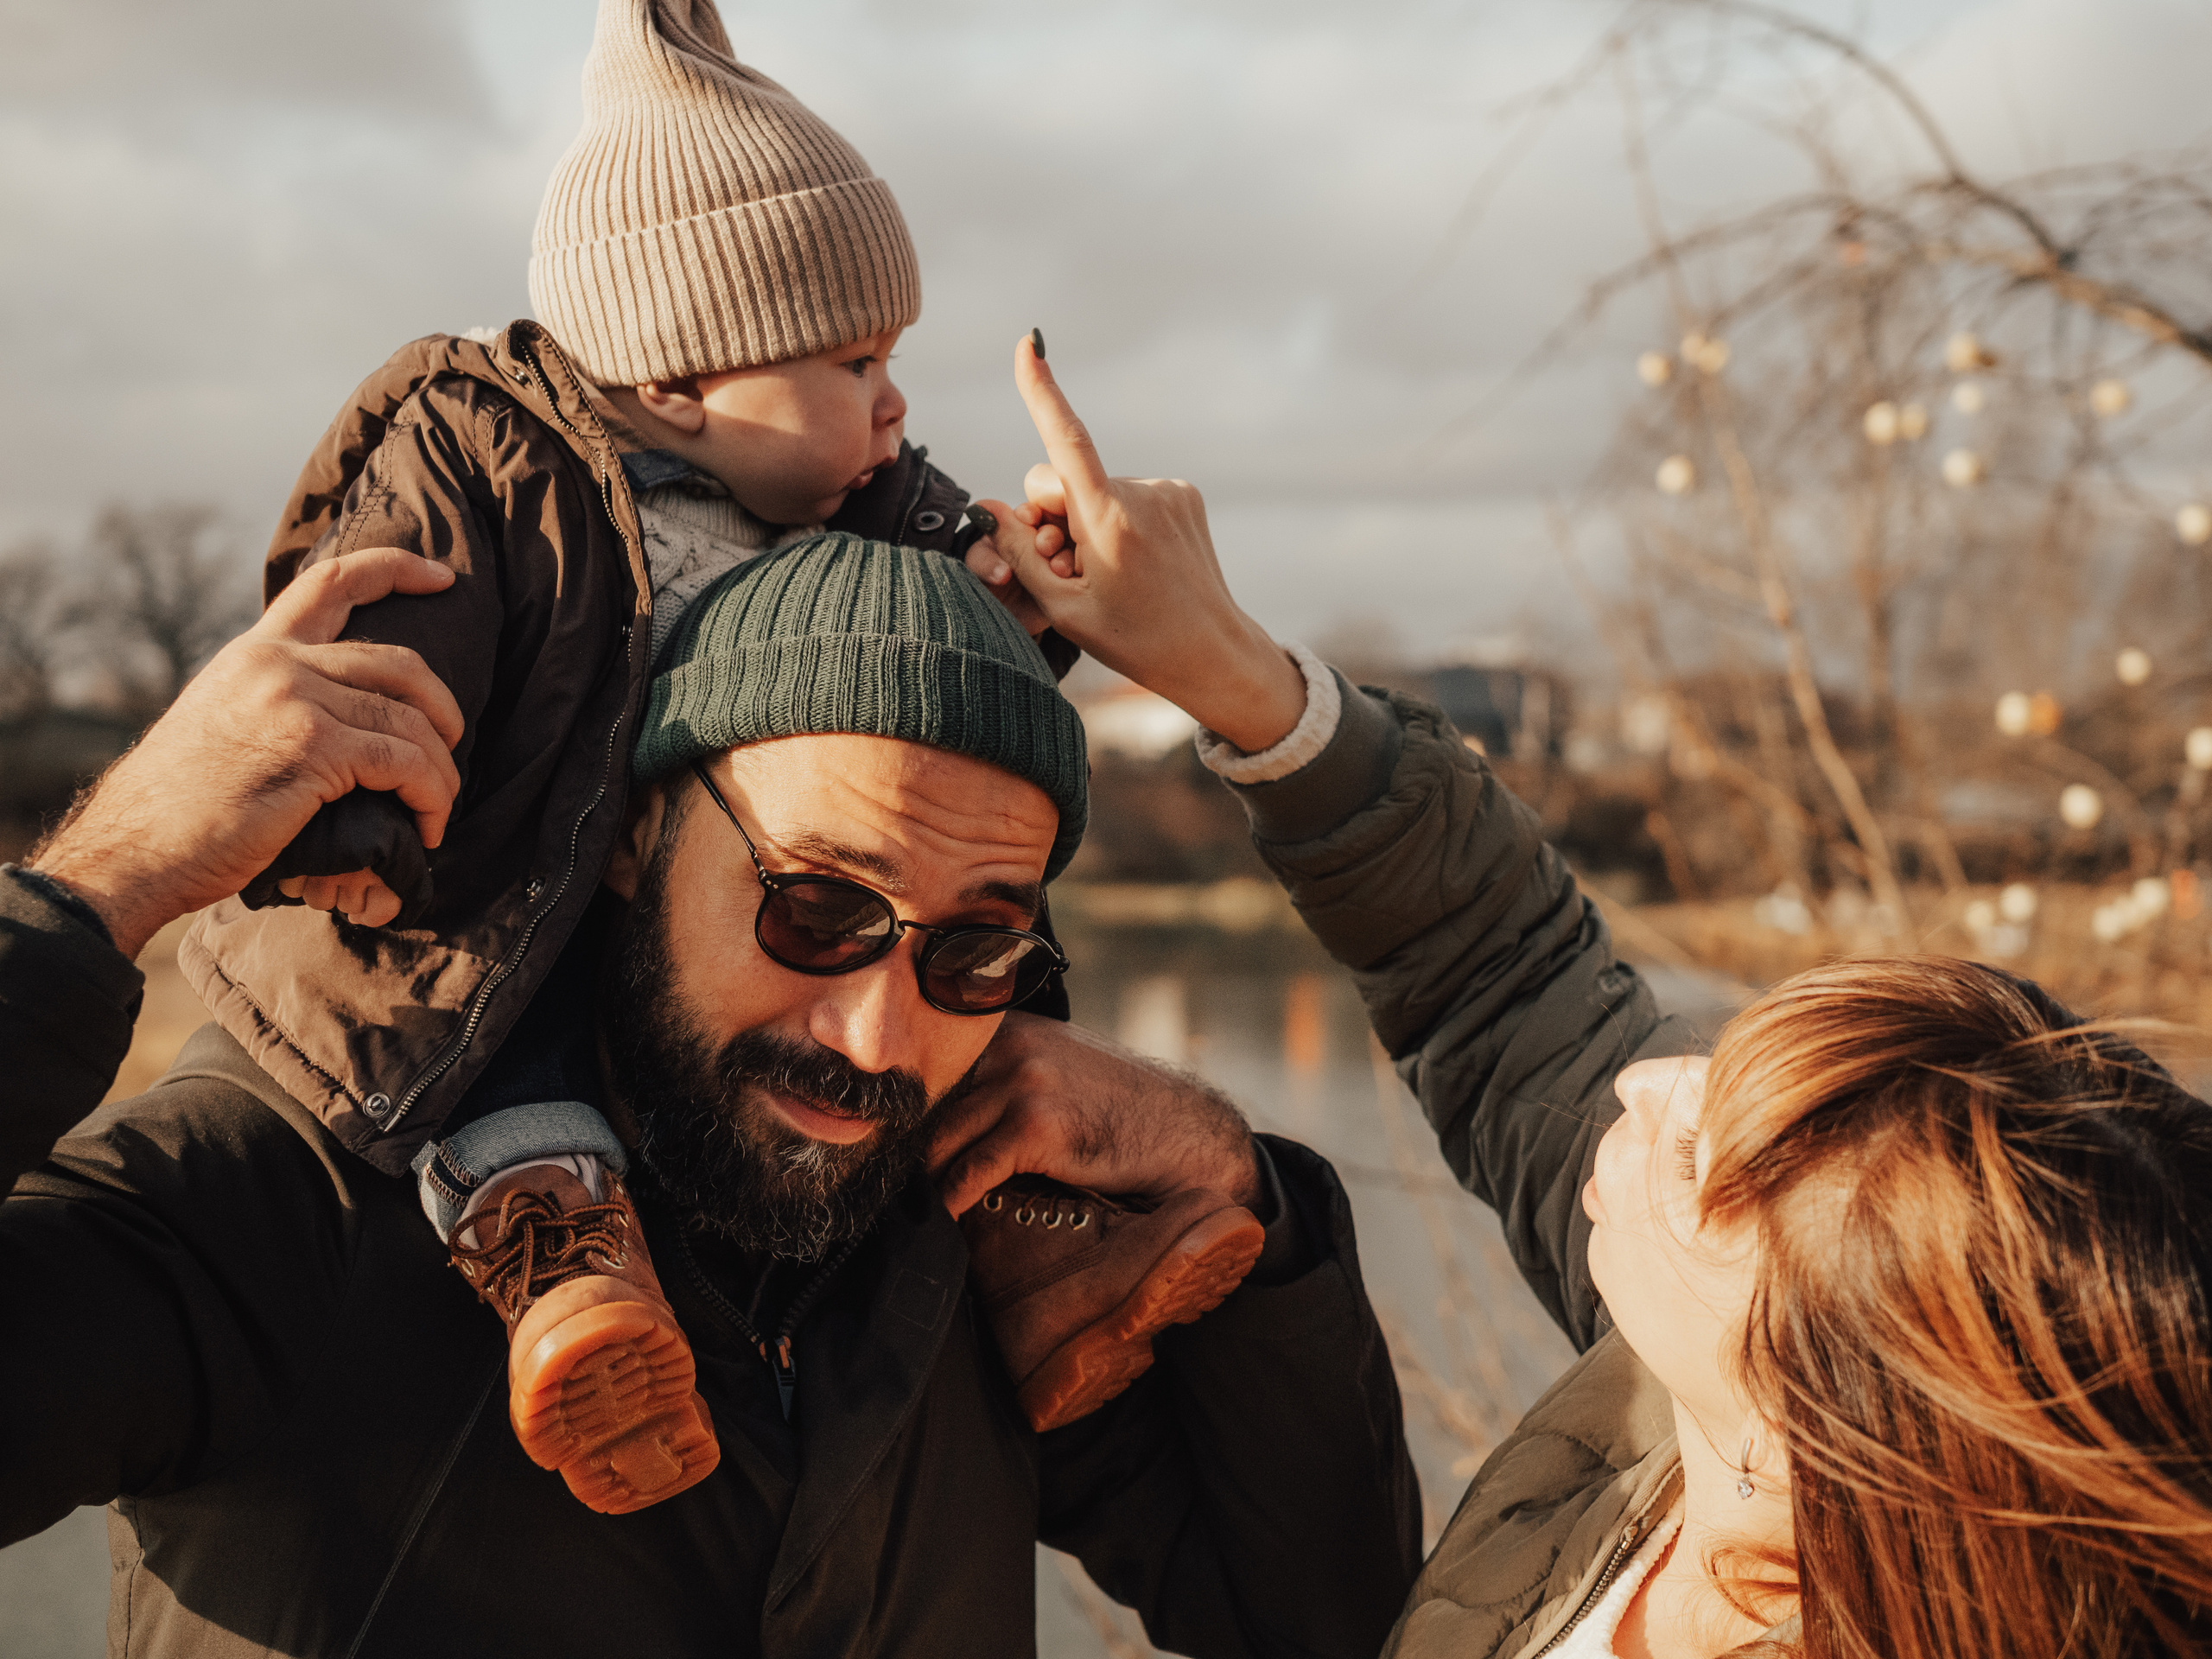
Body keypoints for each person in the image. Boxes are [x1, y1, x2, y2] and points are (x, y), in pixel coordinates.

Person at [967, 345, 2212, 1659]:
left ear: (1837, 1430)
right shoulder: (1686, 1405)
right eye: (1718, 1077)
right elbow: (1507, 976)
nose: (1651, 1080)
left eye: (1704, 1155)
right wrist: (1227, 669)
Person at [185, 0, 1255, 1517]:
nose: (893, 402)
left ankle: (1045, 1252)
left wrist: (1022, 581)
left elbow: (923, 640)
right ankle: (567, 1275)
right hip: (507, 900)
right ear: (685, 376)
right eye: (855, 359)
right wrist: (352, 817)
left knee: (943, 972)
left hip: (753, 921)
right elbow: (381, 619)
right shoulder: (488, 454)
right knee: (518, 1059)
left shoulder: (851, 496)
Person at [1, 533, 1421, 1657]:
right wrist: (93, 894)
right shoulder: (284, 1184)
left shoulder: (960, 1238)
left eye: (978, 948)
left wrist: (1239, 1185)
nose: (876, 1036)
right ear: (633, 837)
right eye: (814, 910)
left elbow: (1330, 1623)